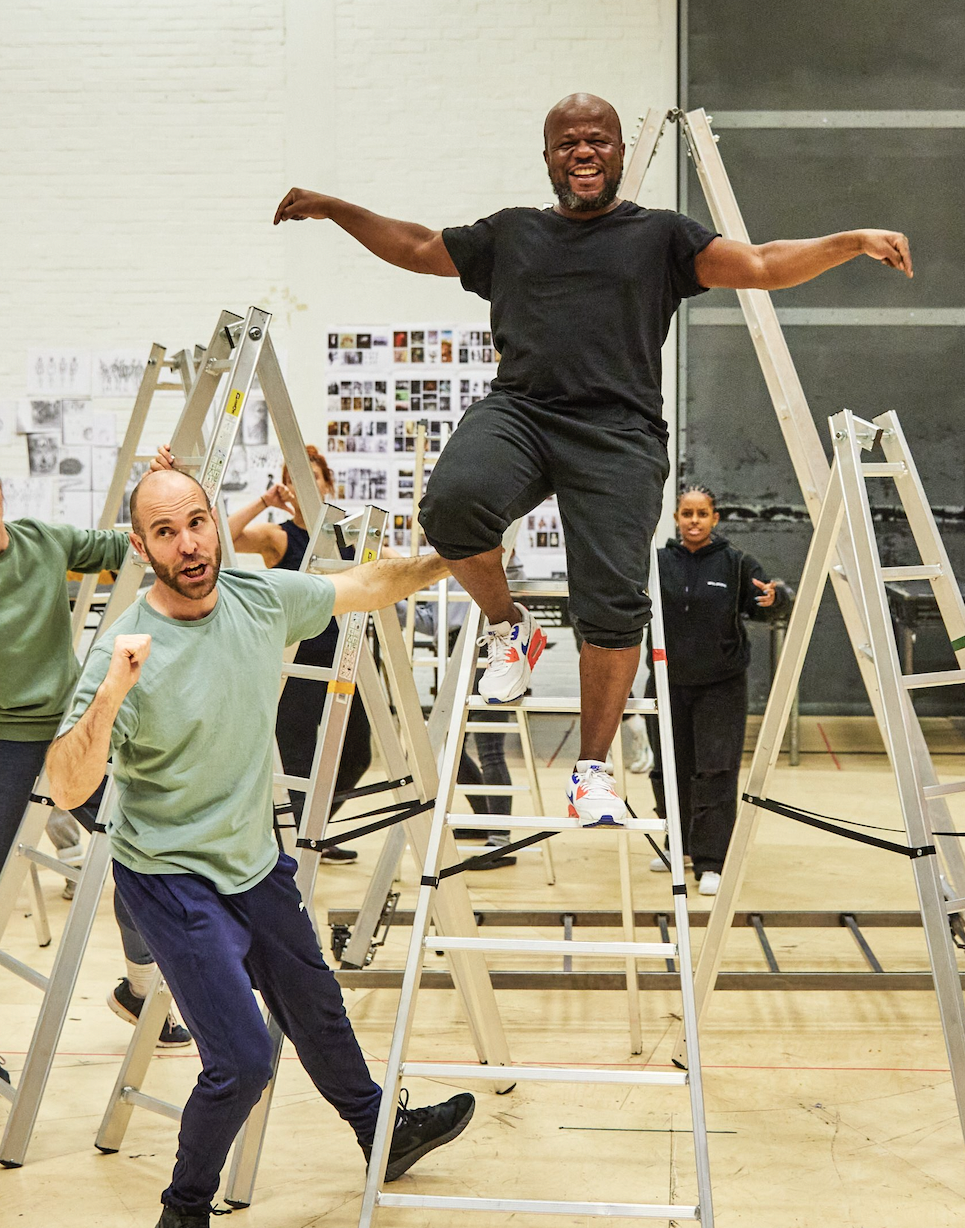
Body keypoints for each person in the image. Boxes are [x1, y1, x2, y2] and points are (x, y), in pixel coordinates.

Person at [273, 92, 912, 826]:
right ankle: (510, 626)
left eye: (599, 140)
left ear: (615, 153)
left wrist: (851, 239)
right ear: (549, 157)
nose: (585, 151)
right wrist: (337, 207)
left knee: (610, 604)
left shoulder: (661, 238)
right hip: (521, 409)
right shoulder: (511, 234)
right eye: (568, 142)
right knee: (452, 505)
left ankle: (591, 770)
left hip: (618, 431)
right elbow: (417, 247)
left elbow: (763, 264)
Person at [46, 466, 477, 1228]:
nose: (188, 544)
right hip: (170, 875)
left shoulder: (256, 597)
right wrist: (110, 691)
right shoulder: (125, 647)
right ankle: (181, 1209)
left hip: (252, 855)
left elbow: (368, 582)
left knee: (314, 1003)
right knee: (243, 1056)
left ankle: (384, 1133)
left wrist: (458, 558)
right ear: (141, 548)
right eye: (165, 533)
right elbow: (68, 786)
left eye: (197, 522)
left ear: (217, 523)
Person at [0, 450, 189, 1097]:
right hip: (0, 745)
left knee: (133, 855)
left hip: (73, 734)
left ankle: (140, 991)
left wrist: (160, 485)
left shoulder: (43, 541)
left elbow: (127, 547)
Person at [177, 444, 372, 865]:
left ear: (327, 484)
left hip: (345, 661)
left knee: (358, 755)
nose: (309, 484)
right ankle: (291, 853)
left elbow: (383, 566)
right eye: (299, 477)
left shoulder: (343, 534)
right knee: (296, 765)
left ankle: (308, 832)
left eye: (316, 477)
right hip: (296, 665)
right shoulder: (279, 535)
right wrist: (265, 500)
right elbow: (220, 537)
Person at [645, 485, 782, 895]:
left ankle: (712, 860)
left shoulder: (736, 563)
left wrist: (776, 598)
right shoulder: (656, 563)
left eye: (702, 513)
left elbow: (767, 602)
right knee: (669, 766)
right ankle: (680, 846)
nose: (694, 521)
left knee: (715, 770)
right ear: (676, 518)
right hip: (668, 683)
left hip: (720, 686)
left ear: (715, 518)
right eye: (687, 513)